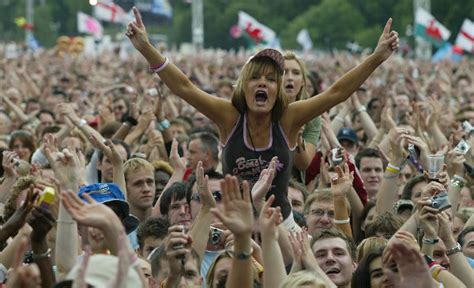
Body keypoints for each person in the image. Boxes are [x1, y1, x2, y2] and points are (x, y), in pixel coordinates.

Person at [126, 8, 399, 226]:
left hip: (280, 223)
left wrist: (376, 58)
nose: (262, 84)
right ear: (243, 87)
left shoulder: (288, 118)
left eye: (270, 79)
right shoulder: (229, 117)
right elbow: (184, 87)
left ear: (278, 90)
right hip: (235, 221)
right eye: (255, 77)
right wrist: (145, 48)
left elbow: (336, 93)